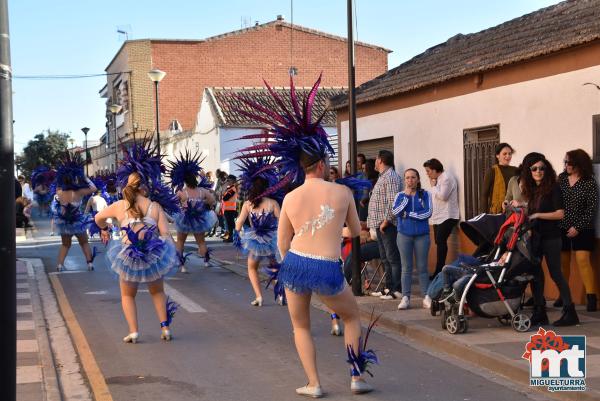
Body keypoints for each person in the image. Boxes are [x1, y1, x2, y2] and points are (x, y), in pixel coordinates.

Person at [235, 76, 377, 397]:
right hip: (327, 266)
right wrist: (338, 230)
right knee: (351, 316)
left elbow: (283, 243)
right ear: (324, 162)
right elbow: (354, 232)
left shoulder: (291, 198)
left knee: (301, 326)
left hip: (296, 264)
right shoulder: (341, 193)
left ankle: (313, 384)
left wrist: (292, 262)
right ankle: (356, 377)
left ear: (300, 167)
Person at [95, 171, 179, 343]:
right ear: (144, 187)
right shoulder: (154, 207)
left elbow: (98, 218)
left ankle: (133, 332)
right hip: (152, 255)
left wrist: (104, 229)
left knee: (127, 295)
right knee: (157, 292)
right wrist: (169, 254)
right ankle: (165, 328)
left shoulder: (119, 205)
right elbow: (165, 234)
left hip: (128, 255)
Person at [511, 152, 579, 326]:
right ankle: (539, 311)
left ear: (546, 169)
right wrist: (522, 205)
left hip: (551, 238)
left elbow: (559, 213)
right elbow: (535, 208)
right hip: (536, 238)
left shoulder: (553, 187)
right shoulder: (533, 189)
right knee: (535, 274)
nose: (538, 171)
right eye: (534, 168)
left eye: (542, 168)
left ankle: (570, 312)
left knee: (556, 274)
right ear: (529, 171)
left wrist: (538, 215)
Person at [558, 149, 599, 312]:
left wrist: (578, 227)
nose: (566, 165)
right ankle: (564, 295)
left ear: (579, 164)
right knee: (563, 263)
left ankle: (591, 297)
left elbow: (592, 208)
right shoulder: (561, 179)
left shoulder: (589, 182)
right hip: (562, 226)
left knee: (583, 260)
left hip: (584, 228)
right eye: (565, 162)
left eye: (570, 162)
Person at [168, 151, 219, 272]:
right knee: (201, 241)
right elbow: (212, 201)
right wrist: (202, 203)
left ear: (185, 181)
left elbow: (173, 203)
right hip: (199, 218)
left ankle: (182, 265)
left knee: (181, 241)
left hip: (184, 219)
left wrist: (181, 205)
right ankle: (206, 261)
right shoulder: (202, 191)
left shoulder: (181, 192)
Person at [235, 174, 281, 306]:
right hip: (272, 238)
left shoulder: (248, 204)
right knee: (274, 266)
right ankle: (280, 295)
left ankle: (259, 297)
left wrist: (237, 232)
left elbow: (238, 225)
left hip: (255, 240)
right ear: (267, 188)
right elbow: (282, 222)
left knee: (252, 268)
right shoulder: (273, 203)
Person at [392, 168, 433, 310]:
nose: (410, 180)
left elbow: (427, 213)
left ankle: (426, 296)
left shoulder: (425, 194)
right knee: (406, 267)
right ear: (405, 180)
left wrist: (408, 214)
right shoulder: (400, 196)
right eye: (408, 178)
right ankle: (405, 297)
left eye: (413, 177)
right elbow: (396, 212)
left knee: (422, 267)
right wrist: (407, 198)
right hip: (404, 235)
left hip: (422, 235)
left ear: (418, 179)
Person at [53, 153, 97, 272]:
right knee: (84, 242)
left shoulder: (59, 191)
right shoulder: (79, 191)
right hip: (78, 220)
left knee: (65, 244)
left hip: (64, 221)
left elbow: (58, 183)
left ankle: (60, 265)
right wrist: (84, 177)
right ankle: (89, 264)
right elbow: (94, 188)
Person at [368, 150, 403, 300]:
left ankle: (396, 289)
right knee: (385, 258)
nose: (374, 162)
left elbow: (393, 201)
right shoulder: (383, 176)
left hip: (387, 224)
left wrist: (386, 220)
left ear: (380, 160)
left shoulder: (391, 177)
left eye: (376, 159)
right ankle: (388, 287)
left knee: (392, 258)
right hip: (379, 223)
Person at [423, 158, 459, 279]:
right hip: (438, 216)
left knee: (441, 241)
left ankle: (439, 271)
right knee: (439, 242)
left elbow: (443, 196)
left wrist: (433, 187)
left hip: (448, 216)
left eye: (428, 171)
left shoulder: (446, 178)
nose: (427, 174)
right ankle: (439, 271)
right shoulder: (439, 179)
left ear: (434, 170)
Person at [481, 143, 518, 213]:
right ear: (497, 155)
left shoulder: (516, 170)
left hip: (513, 211)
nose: (508, 156)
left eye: (510, 154)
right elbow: (484, 195)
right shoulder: (492, 171)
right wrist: (484, 215)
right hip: (496, 212)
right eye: (505, 154)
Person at [221, 175, 238, 242]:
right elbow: (222, 195)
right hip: (227, 209)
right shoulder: (229, 188)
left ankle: (232, 237)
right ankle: (231, 237)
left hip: (230, 209)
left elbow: (225, 198)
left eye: (228, 180)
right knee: (229, 224)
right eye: (227, 180)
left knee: (231, 225)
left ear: (233, 181)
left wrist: (224, 192)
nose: (227, 181)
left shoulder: (232, 189)